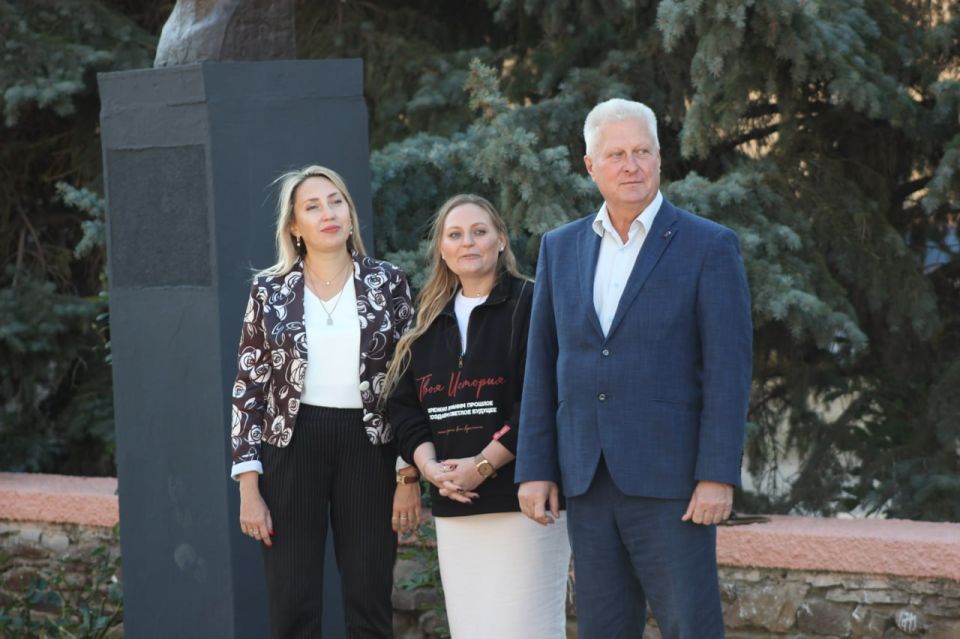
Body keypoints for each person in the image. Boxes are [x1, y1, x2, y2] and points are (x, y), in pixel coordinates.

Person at [516, 99, 752, 639]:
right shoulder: (560, 248)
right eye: (616, 154)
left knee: (690, 627)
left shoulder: (708, 245)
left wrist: (717, 474)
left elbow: (728, 371)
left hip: (674, 482)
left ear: (660, 158)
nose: (632, 165)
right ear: (590, 165)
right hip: (587, 478)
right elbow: (543, 365)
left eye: (642, 151)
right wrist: (536, 467)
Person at [229, 165, 420, 639]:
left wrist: (407, 473)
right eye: (312, 207)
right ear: (295, 226)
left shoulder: (388, 282)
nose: (328, 213)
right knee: (292, 601)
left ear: (350, 214)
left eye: (336, 202)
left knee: (370, 597)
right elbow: (249, 387)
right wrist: (249, 487)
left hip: (370, 446)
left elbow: (409, 383)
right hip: (291, 447)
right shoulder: (270, 291)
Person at [385, 194, 571, 639]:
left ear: (501, 240)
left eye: (479, 231)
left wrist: (484, 463)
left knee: (528, 630)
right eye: (455, 234)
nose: (467, 242)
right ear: (442, 248)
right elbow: (405, 407)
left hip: (524, 500)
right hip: (456, 505)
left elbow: (542, 399)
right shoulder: (426, 321)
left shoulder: (533, 303)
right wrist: (429, 467)